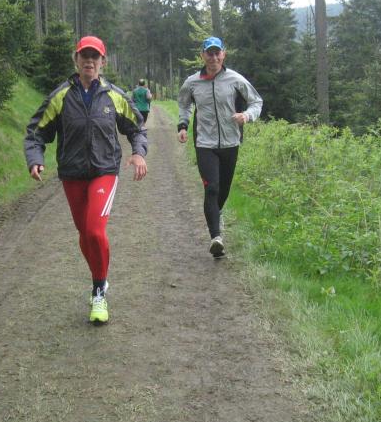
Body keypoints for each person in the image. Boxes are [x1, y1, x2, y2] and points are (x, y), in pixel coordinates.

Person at [24, 35, 148, 324]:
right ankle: (100, 278)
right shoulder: (61, 96)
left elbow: (137, 128)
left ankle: (99, 292)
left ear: (103, 62)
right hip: (72, 173)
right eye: (84, 56)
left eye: (95, 57)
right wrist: (35, 158)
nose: (89, 61)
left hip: (105, 170)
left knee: (94, 230)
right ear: (76, 60)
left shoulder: (114, 96)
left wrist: (138, 153)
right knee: (84, 233)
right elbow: (36, 132)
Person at [177, 36, 263, 258]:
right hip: (204, 143)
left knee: (223, 190)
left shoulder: (235, 79)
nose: (213, 57)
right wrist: (183, 125)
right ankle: (216, 238)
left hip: (230, 143)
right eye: (209, 53)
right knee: (212, 188)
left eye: (217, 53)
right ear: (202, 56)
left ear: (223, 54)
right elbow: (184, 104)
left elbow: (256, 101)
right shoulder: (192, 82)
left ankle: (218, 212)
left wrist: (247, 115)